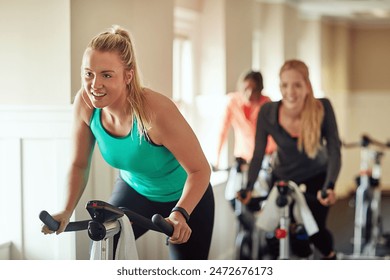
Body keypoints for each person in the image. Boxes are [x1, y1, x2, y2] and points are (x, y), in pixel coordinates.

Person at [41, 25, 214, 260]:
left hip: (185, 196)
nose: (94, 84)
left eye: (107, 75)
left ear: (128, 75)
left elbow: (200, 169)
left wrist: (181, 213)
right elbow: (79, 164)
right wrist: (66, 210)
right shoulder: (84, 104)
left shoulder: (155, 111)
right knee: (105, 247)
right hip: (135, 190)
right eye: (88, 73)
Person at [243, 59, 341, 260]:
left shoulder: (322, 107)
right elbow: (259, 152)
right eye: (285, 85)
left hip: (317, 177)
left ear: (307, 85)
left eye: (297, 85)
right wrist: (248, 186)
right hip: (282, 179)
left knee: (315, 233)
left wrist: (329, 185)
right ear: (279, 86)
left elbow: (334, 149)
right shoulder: (268, 112)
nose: (291, 91)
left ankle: (331, 258)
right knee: (274, 237)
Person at [214, 71, 276, 209]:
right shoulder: (233, 102)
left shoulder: (267, 104)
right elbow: (222, 131)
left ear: (260, 90)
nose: (248, 93)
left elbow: (275, 133)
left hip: (264, 157)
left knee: (262, 196)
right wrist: (216, 158)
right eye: (246, 89)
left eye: (253, 90)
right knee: (232, 197)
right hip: (242, 157)